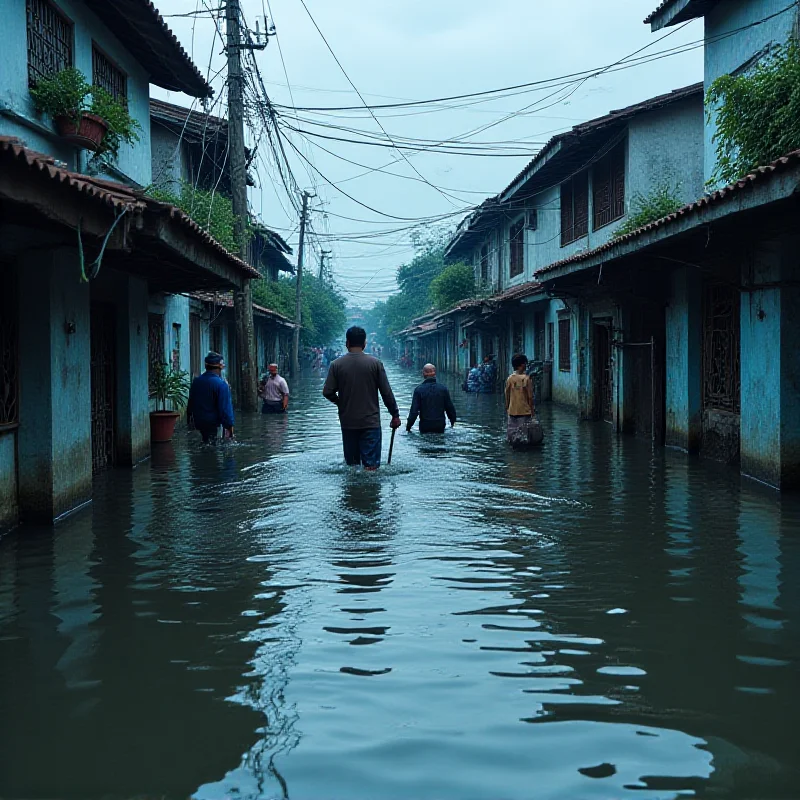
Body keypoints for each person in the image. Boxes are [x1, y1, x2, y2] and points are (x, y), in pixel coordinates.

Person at [323, 325, 401, 470]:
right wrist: (395, 414)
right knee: (371, 467)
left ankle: (353, 492)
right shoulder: (375, 364)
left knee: (352, 466)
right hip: (370, 422)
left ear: (347, 343)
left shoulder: (336, 365)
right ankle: (370, 492)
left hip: (348, 422)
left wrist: (341, 403)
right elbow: (386, 393)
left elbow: (327, 392)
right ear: (365, 343)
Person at [187, 352, 235, 443]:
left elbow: (190, 404)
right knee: (215, 448)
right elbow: (225, 409)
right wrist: (229, 426)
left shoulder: (196, 382)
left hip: (198, 424)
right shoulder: (221, 385)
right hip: (214, 425)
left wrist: (189, 421)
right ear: (220, 367)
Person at [504, 353, 543, 448]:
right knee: (524, 437)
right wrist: (532, 413)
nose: (526, 365)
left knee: (512, 435)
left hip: (512, 411)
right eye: (525, 363)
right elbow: (530, 397)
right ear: (521, 365)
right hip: (524, 412)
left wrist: (507, 408)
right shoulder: (526, 379)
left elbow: (507, 395)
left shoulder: (510, 379)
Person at [407, 363, 457, 434]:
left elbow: (414, 412)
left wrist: (408, 427)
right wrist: (452, 422)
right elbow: (450, 408)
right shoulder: (443, 389)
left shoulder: (418, 390)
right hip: (440, 425)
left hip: (425, 426)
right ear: (434, 373)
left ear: (423, 373)